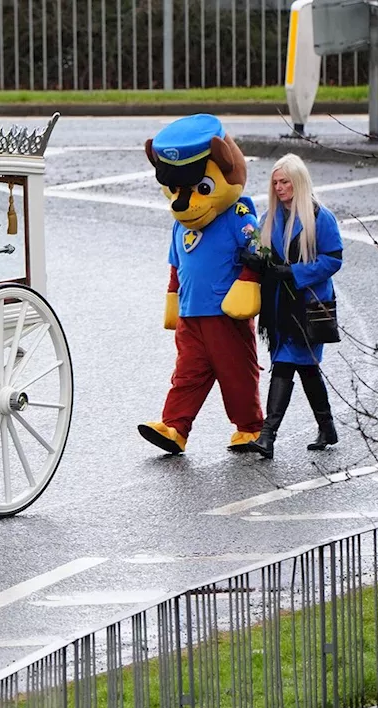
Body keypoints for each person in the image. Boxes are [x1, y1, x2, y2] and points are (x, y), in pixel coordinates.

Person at [137, 114, 266, 455]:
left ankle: (250, 428)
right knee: (186, 375)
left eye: (200, 189)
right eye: (176, 190)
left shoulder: (238, 219)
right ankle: (175, 427)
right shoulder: (181, 227)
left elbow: (259, 256)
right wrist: (173, 300)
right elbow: (176, 266)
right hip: (192, 316)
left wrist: (248, 285)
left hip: (226, 315)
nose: (183, 201)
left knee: (237, 374)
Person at [239, 154, 343, 459]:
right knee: (307, 368)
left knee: (286, 364)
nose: (279, 187)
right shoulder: (269, 217)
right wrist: (254, 258)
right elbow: (258, 249)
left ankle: (268, 436)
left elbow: (333, 259)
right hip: (278, 305)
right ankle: (327, 428)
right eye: (275, 182)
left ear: (298, 182)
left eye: (285, 181)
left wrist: (295, 272)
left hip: (308, 306)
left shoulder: (320, 216)